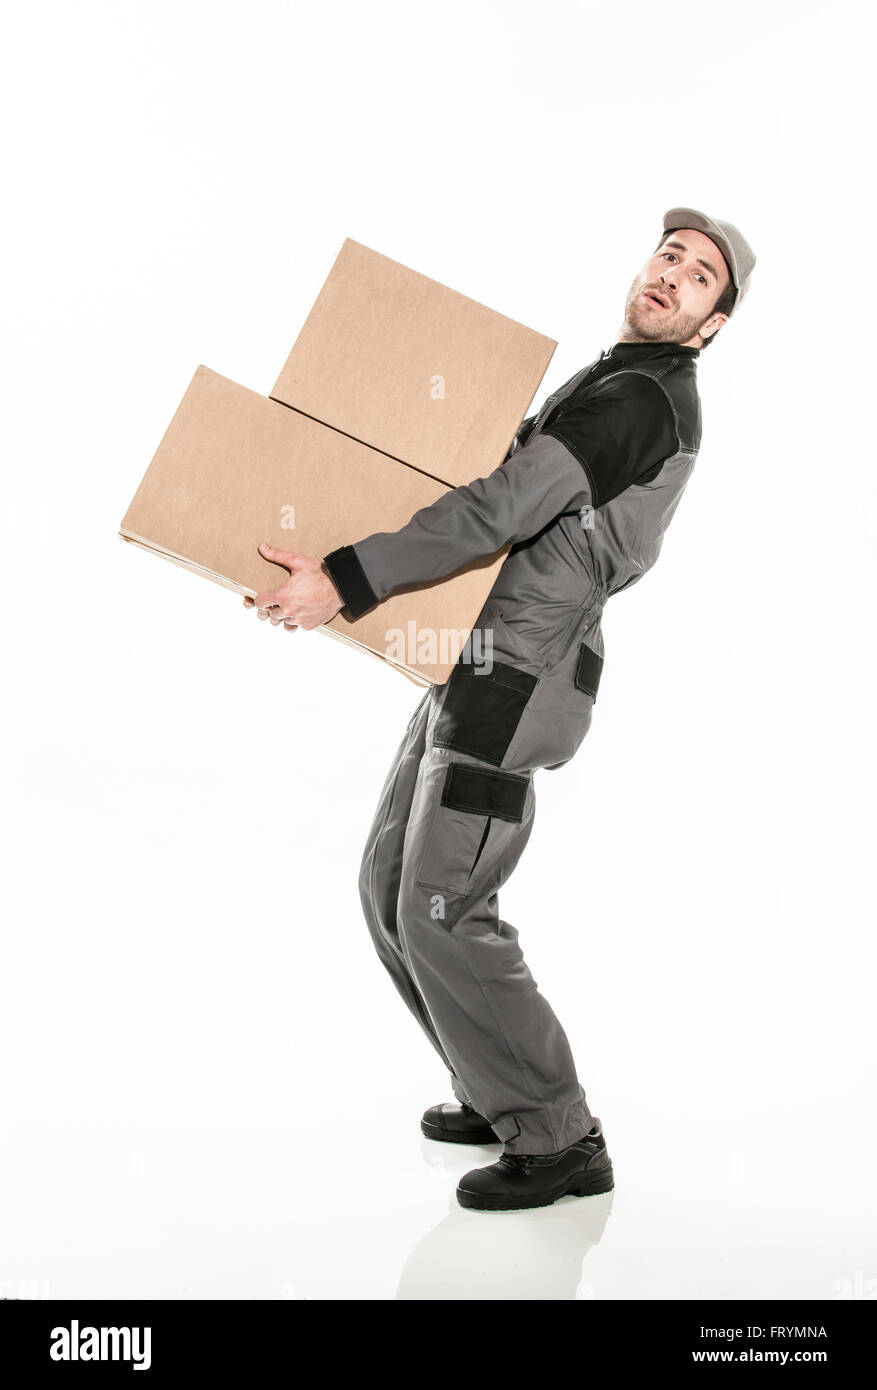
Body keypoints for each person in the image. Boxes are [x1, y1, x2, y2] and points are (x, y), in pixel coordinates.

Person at [244, 207, 757, 1213]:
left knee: (441, 904)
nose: (671, 273)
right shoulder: (615, 375)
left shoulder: (641, 404)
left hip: (514, 677)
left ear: (712, 322)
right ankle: (500, 1090)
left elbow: (499, 508)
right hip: (472, 658)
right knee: (389, 881)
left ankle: (561, 1136)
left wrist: (345, 578)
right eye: (667, 255)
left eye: (698, 276)